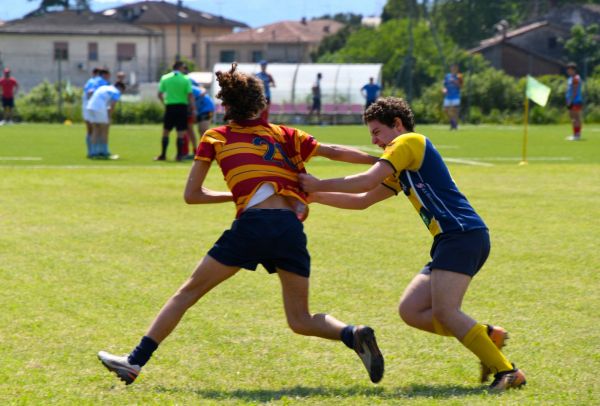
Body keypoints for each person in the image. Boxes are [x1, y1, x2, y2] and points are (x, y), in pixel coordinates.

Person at [97, 63, 384, 386]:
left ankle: (135, 361)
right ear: (262, 104)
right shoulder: (286, 134)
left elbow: (192, 195)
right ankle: (353, 333)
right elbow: (333, 151)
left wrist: (237, 195)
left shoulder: (215, 137)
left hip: (253, 225)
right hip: (289, 228)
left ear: (226, 106)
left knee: (186, 293)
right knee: (300, 319)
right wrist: (382, 161)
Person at [299, 97, 527, 392]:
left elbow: (367, 181)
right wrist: (316, 197)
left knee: (446, 311)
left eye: (377, 132)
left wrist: (319, 184)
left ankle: (508, 372)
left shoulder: (409, 142)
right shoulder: (402, 163)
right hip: (451, 239)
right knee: (412, 310)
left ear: (397, 124)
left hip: (462, 235)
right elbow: (364, 200)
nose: (374, 140)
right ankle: (486, 336)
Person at [155, 61, 195, 162]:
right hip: (182, 107)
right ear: (181, 67)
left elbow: (159, 94)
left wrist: (165, 104)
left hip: (170, 107)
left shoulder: (165, 78)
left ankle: (163, 155)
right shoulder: (186, 79)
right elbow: (190, 95)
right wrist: (192, 108)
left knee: (166, 131)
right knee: (181, 133)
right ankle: (179, 156)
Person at [85, 82, 125, 159]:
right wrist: (109, 117)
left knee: (96, 129)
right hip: (99, 107)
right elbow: (112, 106)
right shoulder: (116, 91)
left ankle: (93, 152)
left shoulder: (104, 87)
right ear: (120, 88)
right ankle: (104, 151)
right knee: (104, 129)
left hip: (90, 106)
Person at [565, 62, 583, 141]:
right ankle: (575, 134)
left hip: (575, 101)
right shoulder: (570, 78)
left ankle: (577, 135)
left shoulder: (576, 78)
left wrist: (571, 101)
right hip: (571, 100)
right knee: (573, 117)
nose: (568, 71)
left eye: (569, 70)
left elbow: (575, 91)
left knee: (576, 118)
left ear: (573, 70)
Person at [443, 64, 463, 131]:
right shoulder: (447, 76)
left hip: (455, 96)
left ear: (457, 68)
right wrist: (444, 90)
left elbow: (461, 86)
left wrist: (456, 82)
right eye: (452, 67)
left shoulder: (459, 76)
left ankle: (454, 125)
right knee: (445, 110)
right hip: (448, 96)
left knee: (455, 110)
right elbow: (444, 86)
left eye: (455, 67)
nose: (453, 68)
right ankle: (453, 122)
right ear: (450, 68)